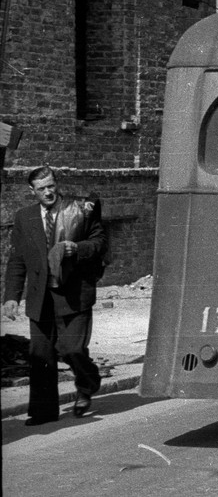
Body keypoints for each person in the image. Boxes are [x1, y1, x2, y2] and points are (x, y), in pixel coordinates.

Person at [3, 166, 107, 425]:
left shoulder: (80, 210)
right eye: (42, 189)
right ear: (32, 191)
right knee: (41, 355)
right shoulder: (24, 217)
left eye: (51, 186)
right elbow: (17, 260)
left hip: (74, 294)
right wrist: (11, 296)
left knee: (72, 349)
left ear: (56, 184)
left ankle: (88, 381)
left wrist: (76, 248)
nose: (48, 192)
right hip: (40, 297)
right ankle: (43, 411)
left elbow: (99, 244)